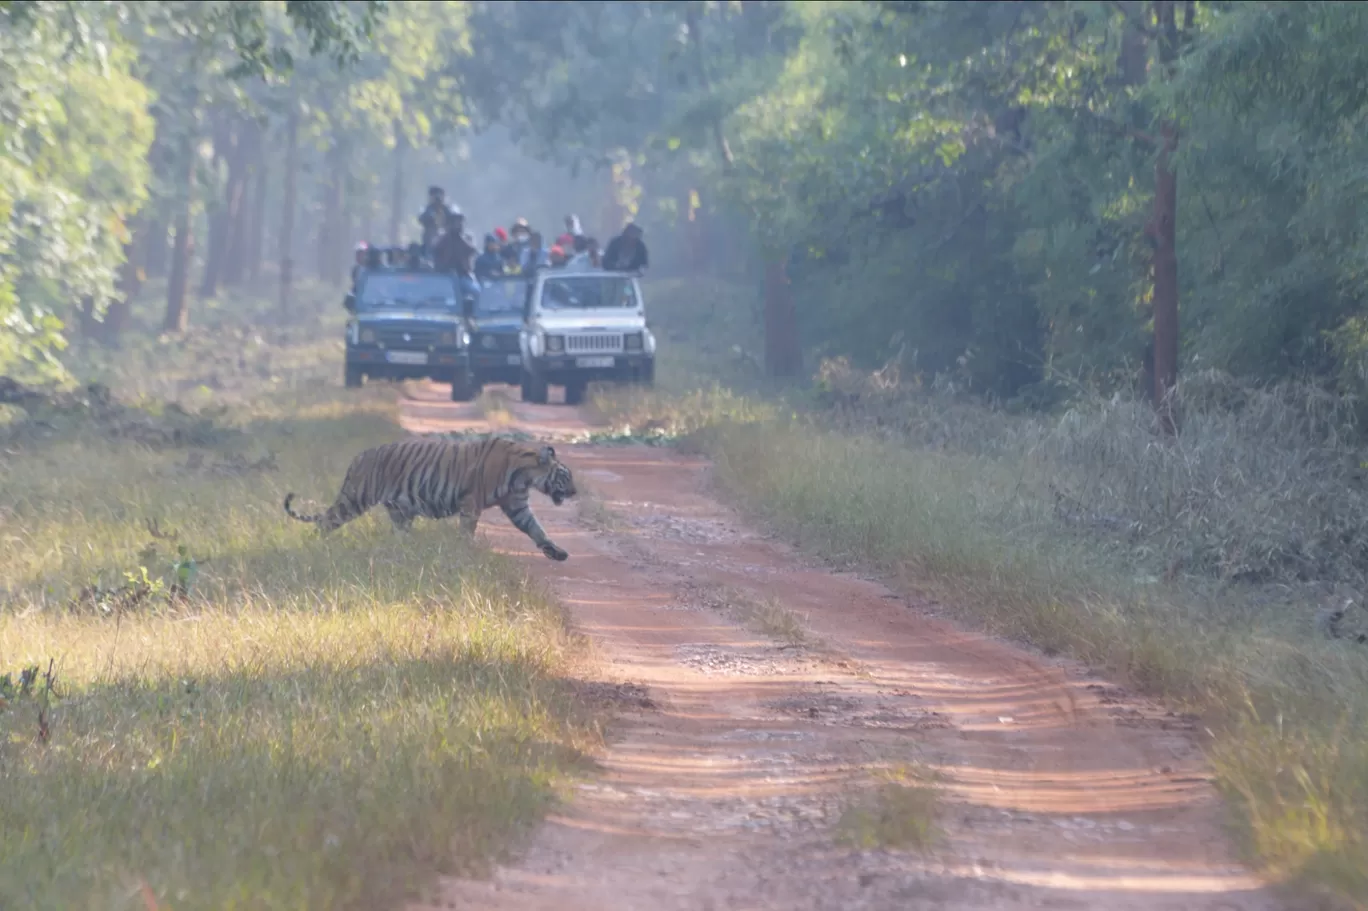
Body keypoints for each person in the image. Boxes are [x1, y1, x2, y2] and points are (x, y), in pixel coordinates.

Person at [418, 186, 458, 254]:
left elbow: (455, 218)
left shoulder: (448, 209)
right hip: (429, 242)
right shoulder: (427, 209)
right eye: (434, 196)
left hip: (447, 242)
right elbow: (421, 219)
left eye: (439, 196)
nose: (437, 199)